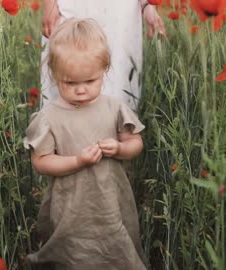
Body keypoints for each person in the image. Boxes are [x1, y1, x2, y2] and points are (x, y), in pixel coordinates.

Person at [23, 18, 147, 269]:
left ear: (104, 70)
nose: (80, 90)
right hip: (71, 206)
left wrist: (120, 148)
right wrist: (77, 161)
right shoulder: (50, 117)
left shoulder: (114, 108)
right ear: (55, 75)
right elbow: (40, 162)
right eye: (70, 83)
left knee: (115, 246)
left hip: (110, 200)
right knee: (74, 252)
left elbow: (136, 142)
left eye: (90, 82)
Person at [40, 0, 166, 112]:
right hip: (74, 5)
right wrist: (49, 4)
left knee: (119, 83)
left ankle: (117, 132)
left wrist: (147, 4)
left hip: (120, 8)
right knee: (67, 64)